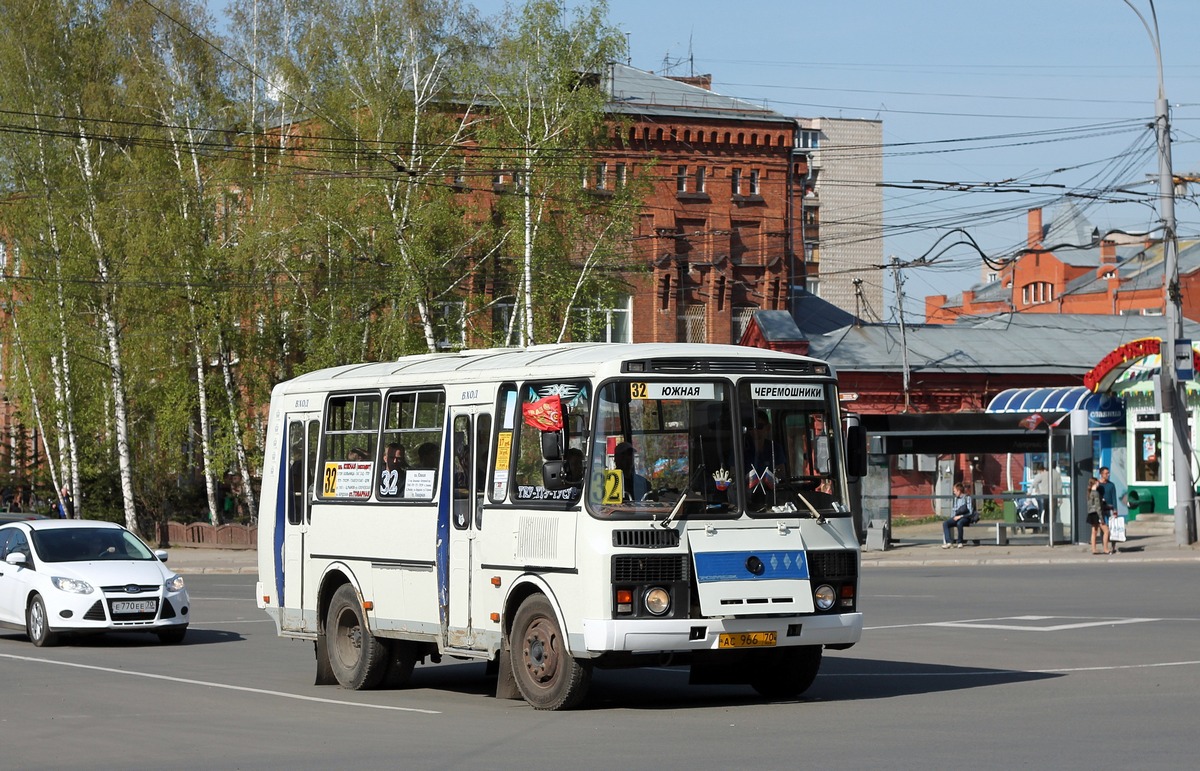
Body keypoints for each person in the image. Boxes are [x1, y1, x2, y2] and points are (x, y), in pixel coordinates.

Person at [941, 482, 975, 548]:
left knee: (959, 523)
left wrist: (960, 516)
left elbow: (970, 512)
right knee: (945, 523)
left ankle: (960, 542)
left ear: (959, 491)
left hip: (965, 517)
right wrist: (952, 518)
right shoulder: (956, 499)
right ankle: (948, 542)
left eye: (955, 491)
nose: (954, 493)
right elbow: (954, 509)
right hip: (956, 517)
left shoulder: (967, 498)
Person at [1098, 466, 1121, 553]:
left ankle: (1113, 546)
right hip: (1101, 509)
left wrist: (1115, 510)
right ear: (1101, 474)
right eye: (1106, 473)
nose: (1108, 475)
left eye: (1108, 473)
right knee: (1103, 528)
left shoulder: (1111, 485)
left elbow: (1114, 498)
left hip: (1110, 508)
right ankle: (1104, 546)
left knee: (1113, 527)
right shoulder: (1098, 485)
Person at [1086, 476, 1111, 555]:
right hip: (1097, 513)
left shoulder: (1089, 492)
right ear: (1095, 483)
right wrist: (1101, 518)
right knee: (1106, 531)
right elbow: (1098, 506)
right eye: (1097, 482)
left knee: (1094, 531)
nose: (1099, 483)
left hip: (1091, 513)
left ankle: (1094, 549)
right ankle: (1106, 549)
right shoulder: (1096, 493)